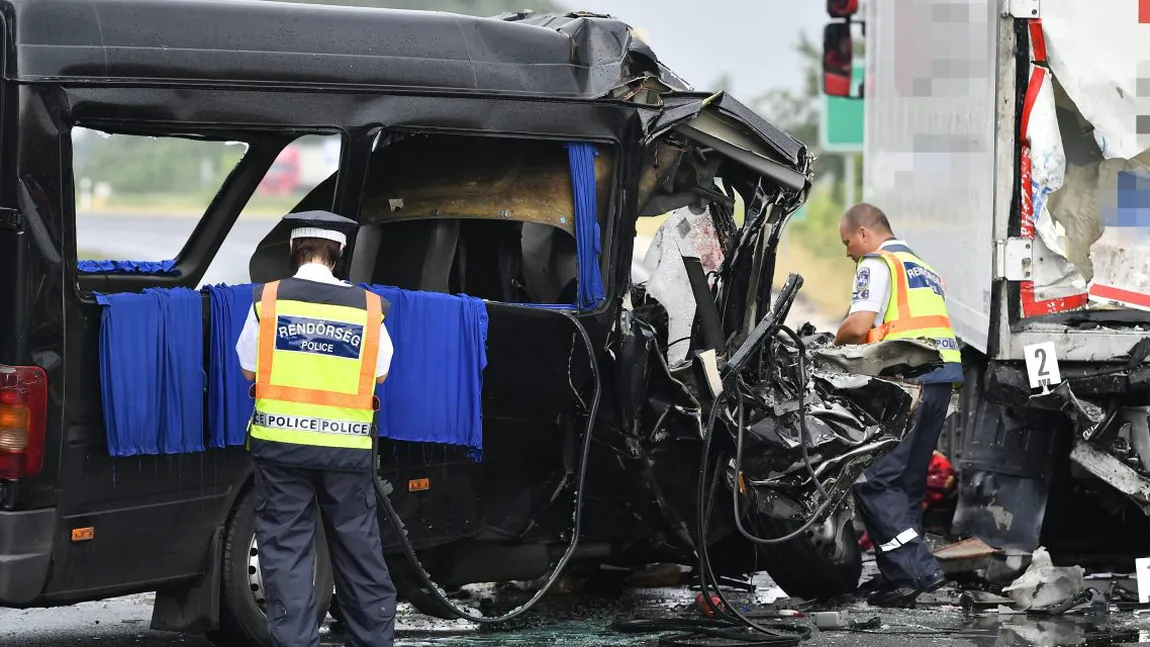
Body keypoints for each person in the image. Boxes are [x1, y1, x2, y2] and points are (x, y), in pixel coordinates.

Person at [235, 210, 397, 647]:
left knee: (285, 551)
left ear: (293, 250)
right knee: (359, 552)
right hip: (345, 451)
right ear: (341, 253)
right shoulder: (368, 307)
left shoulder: (267, 300)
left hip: (281, 446)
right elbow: (379, 374)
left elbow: (249, 369)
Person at [833, 203, 963, 608]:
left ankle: (919, 570)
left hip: (909, 382)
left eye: (847, 242)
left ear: (864, 233)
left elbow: (858, 324)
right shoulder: (920, 265)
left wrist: (830, 348)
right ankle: (899, 578)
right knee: (907, 481)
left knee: (872, 480)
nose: (848, 252)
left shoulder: (877, 263)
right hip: (941, 379)